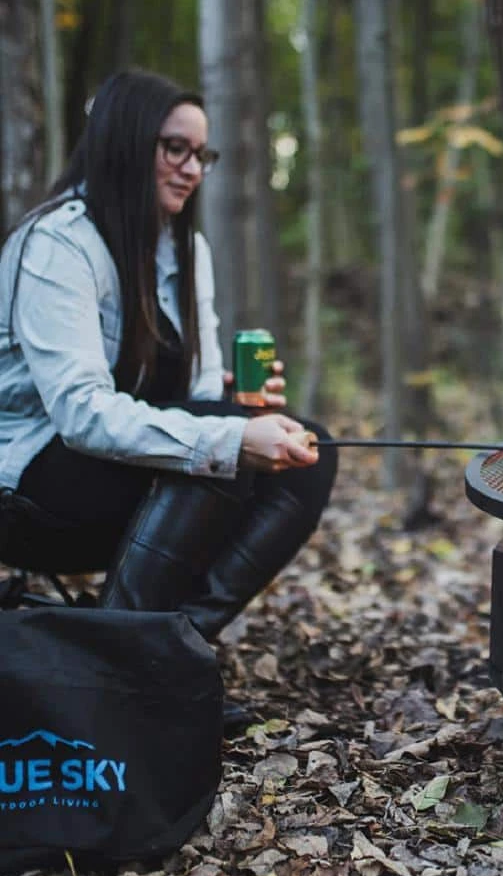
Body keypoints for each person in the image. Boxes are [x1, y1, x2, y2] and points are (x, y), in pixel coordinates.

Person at [0, 69, 338, 719]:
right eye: (174, 148)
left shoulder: (186, 248)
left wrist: (240, 410)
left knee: (310, 450)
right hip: (29, 489)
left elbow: (199, 392)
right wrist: (229, 435)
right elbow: (81, 414)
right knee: (217, 452)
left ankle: (163, 655)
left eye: (201, 155)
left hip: (109, 473)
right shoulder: (58, 244)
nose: (191, 169)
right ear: (126, 141)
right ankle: (119, 674)